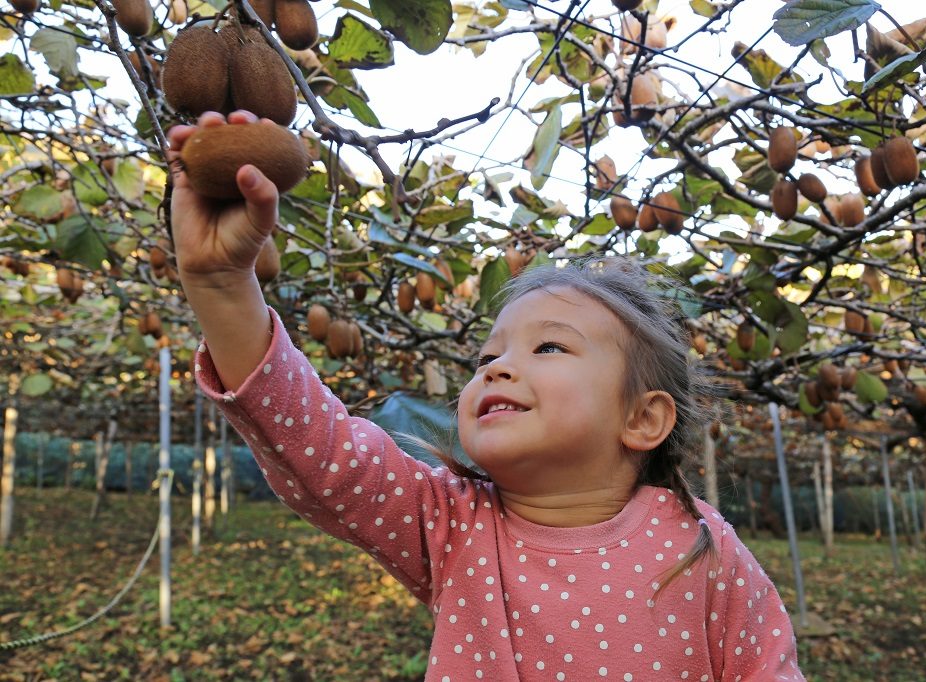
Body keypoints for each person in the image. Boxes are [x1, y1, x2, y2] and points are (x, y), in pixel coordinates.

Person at [169, 111, 805, 681]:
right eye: (487, 356)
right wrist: (223, 286)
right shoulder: (451, 525)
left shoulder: (701, 548)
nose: (498, 368)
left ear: (643, 418)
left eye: (548, 348)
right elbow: (321, 452)